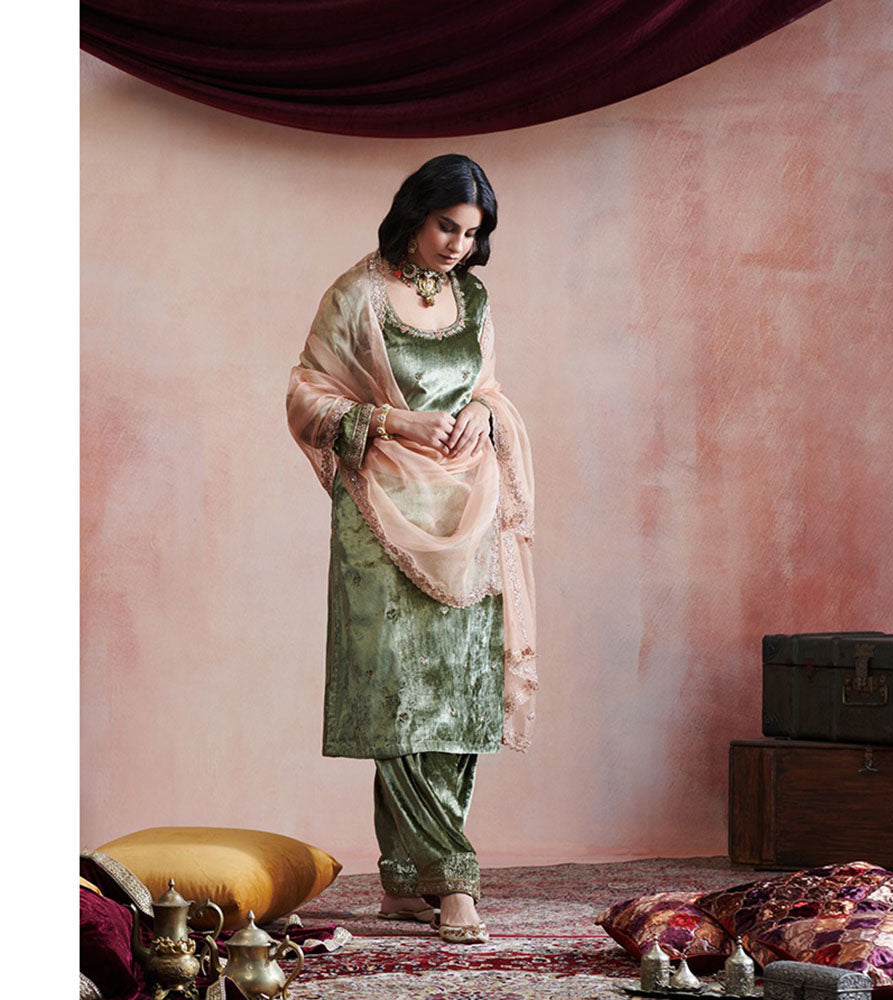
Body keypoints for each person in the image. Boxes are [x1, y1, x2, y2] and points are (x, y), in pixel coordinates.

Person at [286, 154, 536, 945]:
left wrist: (484, 416)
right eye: (447, 227)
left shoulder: (473, 299)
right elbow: (307, 395)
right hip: (380, 513)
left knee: (460, 695)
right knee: (397, 698)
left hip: (468, 510)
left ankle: (402, 883)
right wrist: (395, 421)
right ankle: (452, 878)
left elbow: (487, 388)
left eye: (472, 233)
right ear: (415, 214)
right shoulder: (356, 295)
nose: (459, 245)